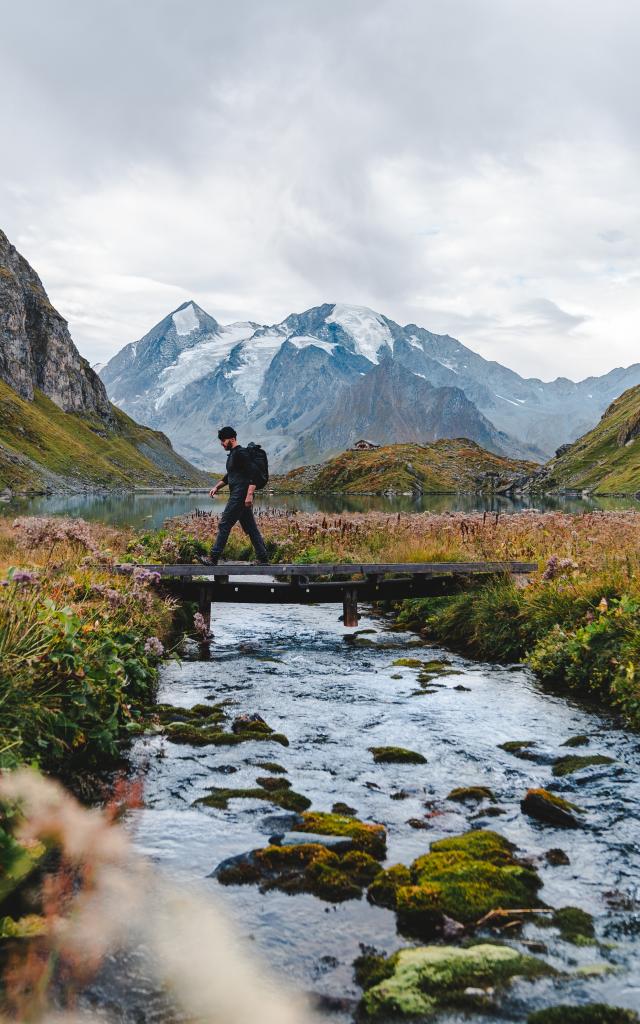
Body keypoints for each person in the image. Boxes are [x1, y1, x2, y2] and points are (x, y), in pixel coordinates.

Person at [201, 426, 269, 565]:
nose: (222, 443)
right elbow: (229, 476)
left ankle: (213, 558)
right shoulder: (233, 454)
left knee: (225, 523)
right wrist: (216, 487)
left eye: (223, 440)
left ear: (232, 439)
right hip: (239, 494)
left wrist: (249, 494)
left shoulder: (241, 453)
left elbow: (254, 473)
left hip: (240, 494)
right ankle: (263, 558)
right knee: (251, 528)